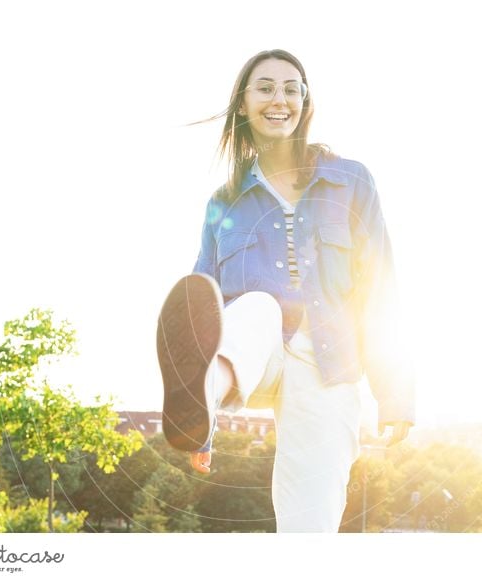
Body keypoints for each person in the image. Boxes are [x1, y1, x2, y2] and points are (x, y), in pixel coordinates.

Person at [156, 49, 415, 532]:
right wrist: (200, 428)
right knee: (253, 308)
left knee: (309, 528)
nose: (280, 99)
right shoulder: (225, 200)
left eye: (291, 88)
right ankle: (204, 398)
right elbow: (201, 302)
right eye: (266, 87)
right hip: (255, 355)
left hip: (328, 362)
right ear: (243, 105)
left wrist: (394, 392)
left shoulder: (351, 181)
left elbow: (381, 290)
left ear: (305, 102)